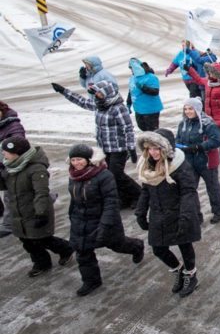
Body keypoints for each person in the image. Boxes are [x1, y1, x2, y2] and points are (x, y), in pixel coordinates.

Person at [66, 144, 145, 296]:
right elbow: (74, 199)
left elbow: (111, 202)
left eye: (80, 160)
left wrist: (106, 223)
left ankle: (136, 246)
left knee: (117, 244)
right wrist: (72, 215)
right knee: (82, 252)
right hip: (81, 221)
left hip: (104, 220)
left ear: (89, 160)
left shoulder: (104, 176)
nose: (76, 163)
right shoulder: (73, 176)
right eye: (73, 160)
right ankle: (91, 281)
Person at [52, 80, 141, 209]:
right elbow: (82, 102)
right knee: (110, 175)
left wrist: (131, 148)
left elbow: (128, 128)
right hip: (105, 148)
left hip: (118, 148)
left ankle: (138, 195)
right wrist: (63, 91)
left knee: (116, 174)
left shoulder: (118, 108)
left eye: (99, 93)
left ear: (107, 93)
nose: (97, 96)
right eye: (95, 94)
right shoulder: (99, 105)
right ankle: (124, 198)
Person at [135, 129, 202, 298]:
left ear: (166, 148)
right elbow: (145, 190)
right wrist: (140, 212)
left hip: (178, 213)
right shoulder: (148, 165)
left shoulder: (179, 167)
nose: (153, 152)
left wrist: (186, 216)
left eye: (157, 148)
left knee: (184, 245)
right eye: (150, 149)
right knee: (158, 248)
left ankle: (191, 275)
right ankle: (178, 270)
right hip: (158, 213)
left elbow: (188, 191)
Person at [0, 136, 74, 278]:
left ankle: (66, 249)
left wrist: (41, 213)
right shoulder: (10, 166)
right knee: (27, 242)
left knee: (42, 239)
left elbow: (41, 193)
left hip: (34, 212)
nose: (3, 154)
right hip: (18, 213)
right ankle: (41, 263)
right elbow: (4, 186)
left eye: (5, 151)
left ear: (17, 153)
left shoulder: (36, 169)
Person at [176, 99, 220, 224]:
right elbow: (178, 139)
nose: (187, 112)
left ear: (197, 109)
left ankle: (218, 211)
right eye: (185, 109)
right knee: (190, 190)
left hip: (206, 162)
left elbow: (217, 141)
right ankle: (196, 214)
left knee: (212, 187)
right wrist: (178, 146)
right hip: (190, 162)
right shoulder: (183, 124)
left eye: (190, 109)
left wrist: (199, 147)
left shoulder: (208, 124)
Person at [186, 63, 220, 163]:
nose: (210, 75)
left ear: (219, 74)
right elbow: (198, 79)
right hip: (211, 114)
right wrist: (190, 70)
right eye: (209, 72)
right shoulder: (208, 83)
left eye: (212, 73)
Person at [0, 100, 26, 238]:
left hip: (13, 165)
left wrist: (5, 151)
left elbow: (18, 144)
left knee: (10, 195)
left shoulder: (13, 125)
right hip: (3, 164)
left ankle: (9, 224)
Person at [127, 58, 163, 132]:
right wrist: (128, 104)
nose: (132, 71)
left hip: (150, 110)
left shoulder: (151, 77)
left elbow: (155, 92)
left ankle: (155, 142)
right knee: (142, 127)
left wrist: (143, 87)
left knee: (152, 130)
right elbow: (131, 92)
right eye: (131, 69)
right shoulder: (132, 78)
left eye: (132, 68)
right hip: (138, 109)